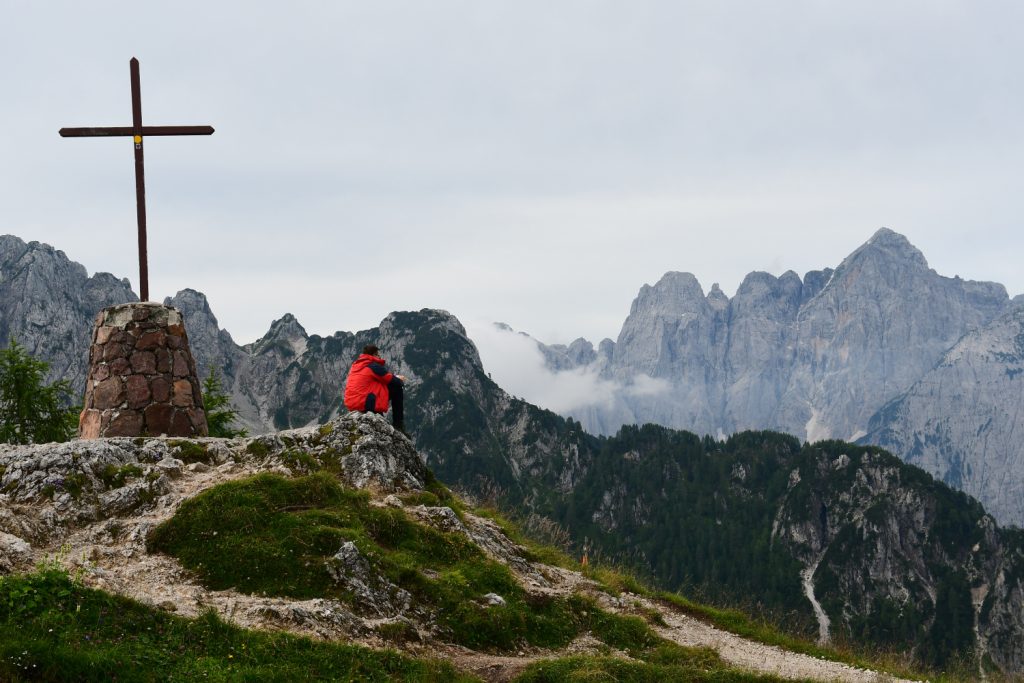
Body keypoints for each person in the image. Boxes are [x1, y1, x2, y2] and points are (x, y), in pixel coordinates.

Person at [343, 344, 407, 431]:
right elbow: (392, 380)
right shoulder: (373, 366)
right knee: (397, 386)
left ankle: (380, 416)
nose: (380, 357)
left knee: (381, 388)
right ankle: (398, 424)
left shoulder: (356, 366)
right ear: (373, 355)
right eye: (378, 354)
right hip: (364, 403)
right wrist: (399, 379)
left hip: (351, 403)